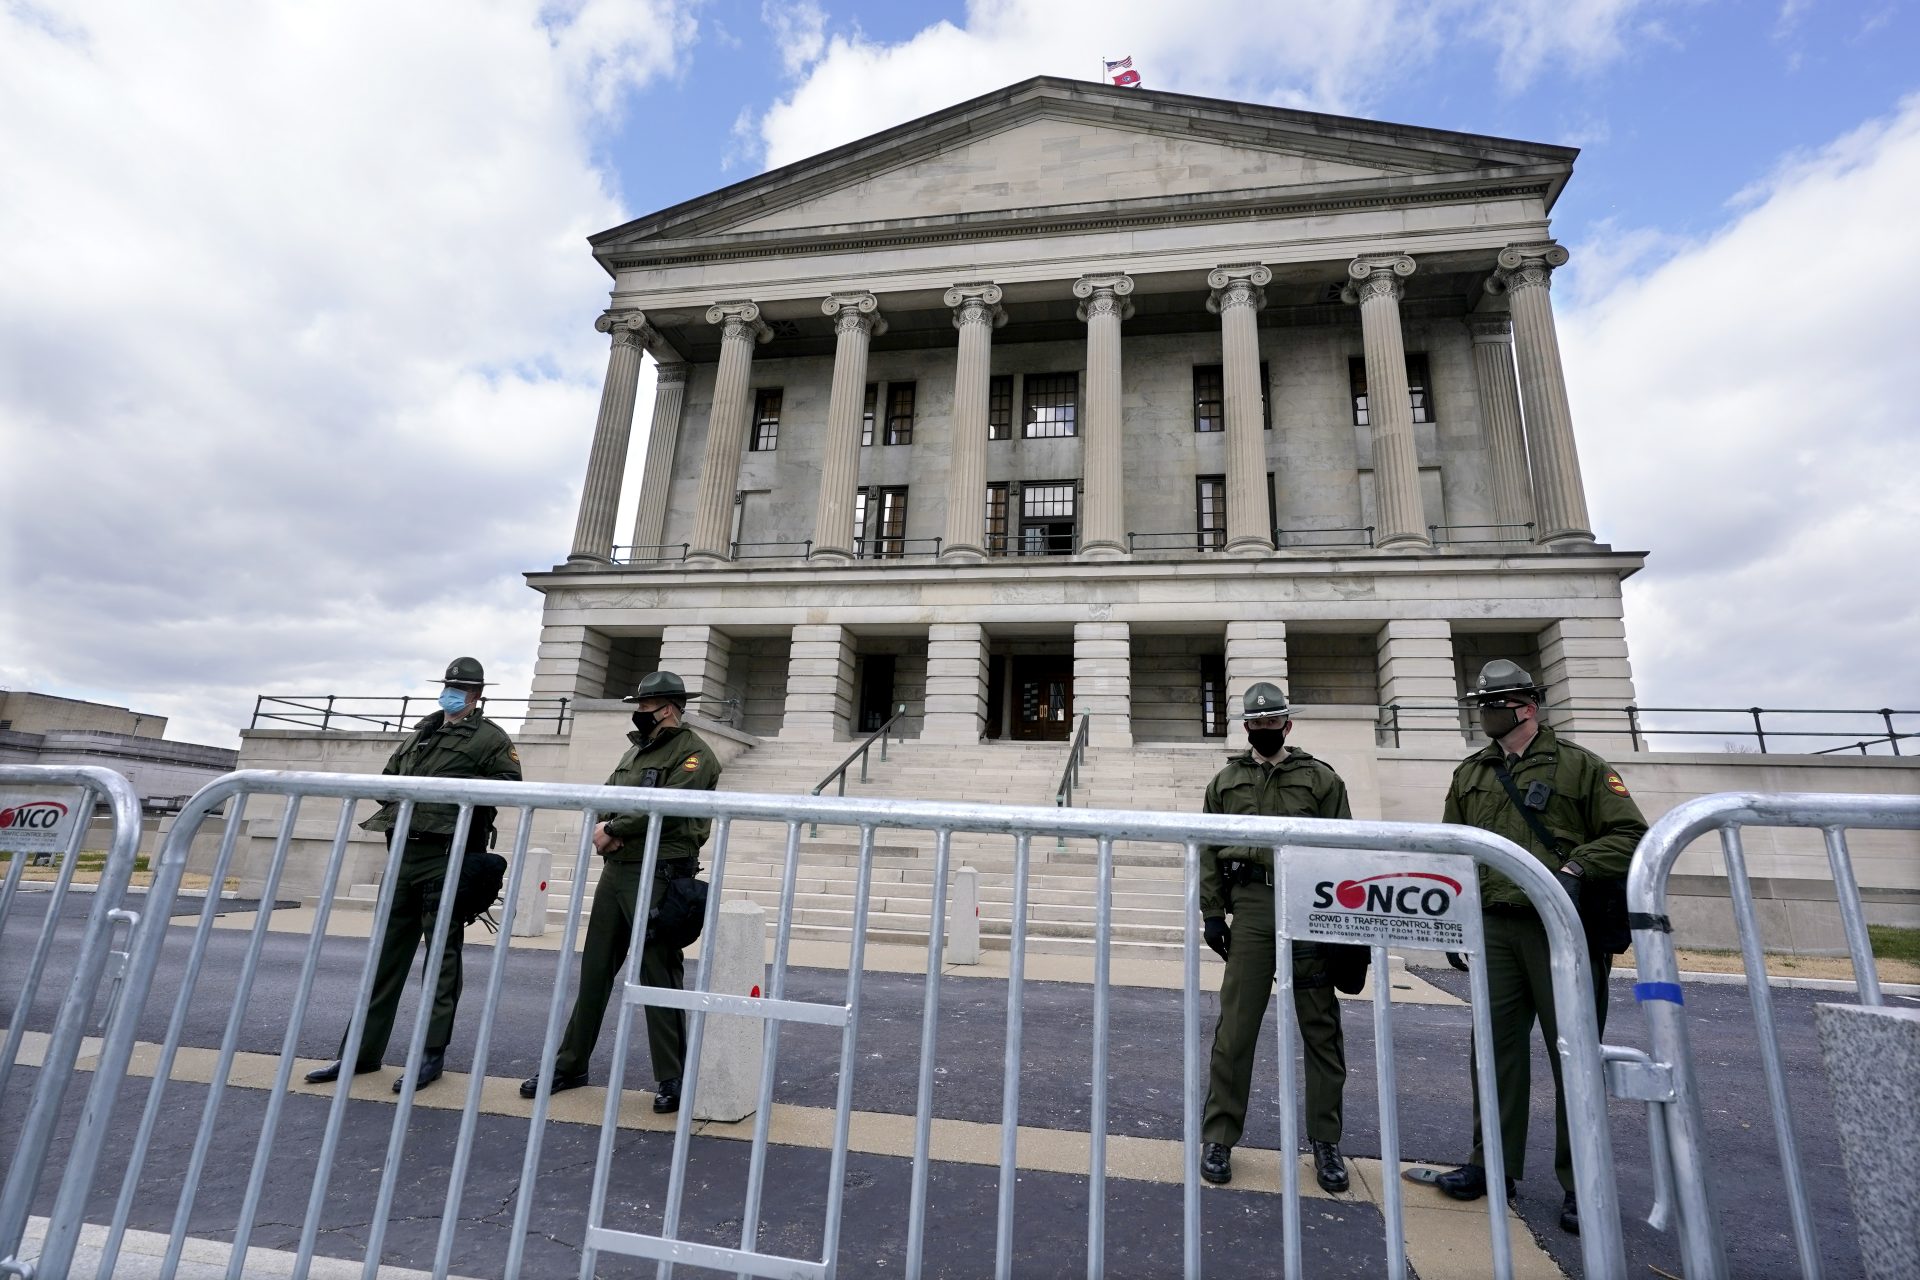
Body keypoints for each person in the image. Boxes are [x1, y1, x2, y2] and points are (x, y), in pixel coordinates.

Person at [1429, 659, 1646, 1236]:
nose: (1484, 713)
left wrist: (1577, 865)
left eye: (1492, 704)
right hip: (1495, 929)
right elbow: (1453, 850)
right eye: (1481, 704)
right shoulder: (1471, 774)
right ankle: (1491, 1165)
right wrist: (1456, 923)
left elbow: (1630, 834)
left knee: (1573, 1056)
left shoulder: (1581, 767)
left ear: (1526, 706)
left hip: (1561, 931)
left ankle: (1583, 1183)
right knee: (1494, 1053)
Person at [307, 657, 521, 1092]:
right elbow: (389, 780)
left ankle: (429, 1055)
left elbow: (510, 785)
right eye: (450, 685)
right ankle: (359, 1054)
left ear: (478, 695)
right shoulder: (421, 733)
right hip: (403, 851)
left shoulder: (489, 738)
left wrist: (456, 793)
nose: (454, 693)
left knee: (441, 960)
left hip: (448, 854)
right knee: (384, 957)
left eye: (463, 688)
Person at [522, 669, 721, 1113]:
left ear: (667, 708)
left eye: (645, 707)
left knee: (658, 972)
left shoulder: (694, 754)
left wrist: (614, 827)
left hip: (659, 873)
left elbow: (670, 808)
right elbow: (611, 793)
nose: (639, 713)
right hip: (619, 871)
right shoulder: (636, 751)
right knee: (594, 970)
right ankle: (570, 1064)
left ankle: (673, 1076)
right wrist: (609, 825)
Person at [1199, 681, 1359, 1193]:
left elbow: (1344, 846)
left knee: (1320, 1027)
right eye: (1256, 723)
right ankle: (1220, 1136)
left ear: (1287, 725)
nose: (1264, 730)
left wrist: (1341, 921)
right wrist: (1211, 912)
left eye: (1272, 723)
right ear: (1246, 727)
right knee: (1236, 1029)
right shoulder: (1225, 780)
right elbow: (1208, 846)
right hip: (1249, 907)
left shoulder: (1321, 779)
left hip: (1307, 905)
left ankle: (1326, 1141)